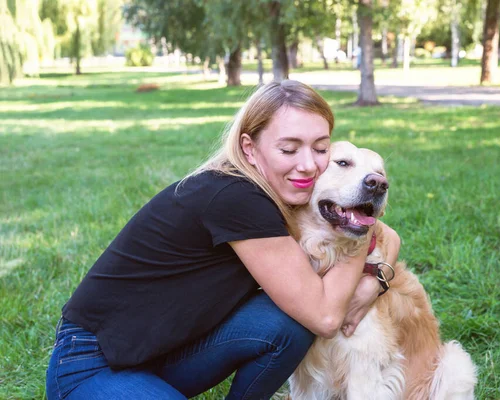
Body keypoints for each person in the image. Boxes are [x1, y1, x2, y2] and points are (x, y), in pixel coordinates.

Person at [45, 80, 401, 400]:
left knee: (286, 322)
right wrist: (361, 228)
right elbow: (324, 316)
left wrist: (377, 273)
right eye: (289, 149)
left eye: (320, 148)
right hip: (91, 364)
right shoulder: (237, 196)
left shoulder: (281, 192)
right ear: (249, 148)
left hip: (162, 354)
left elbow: (390, 234)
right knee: (306, 313)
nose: (308, 165)